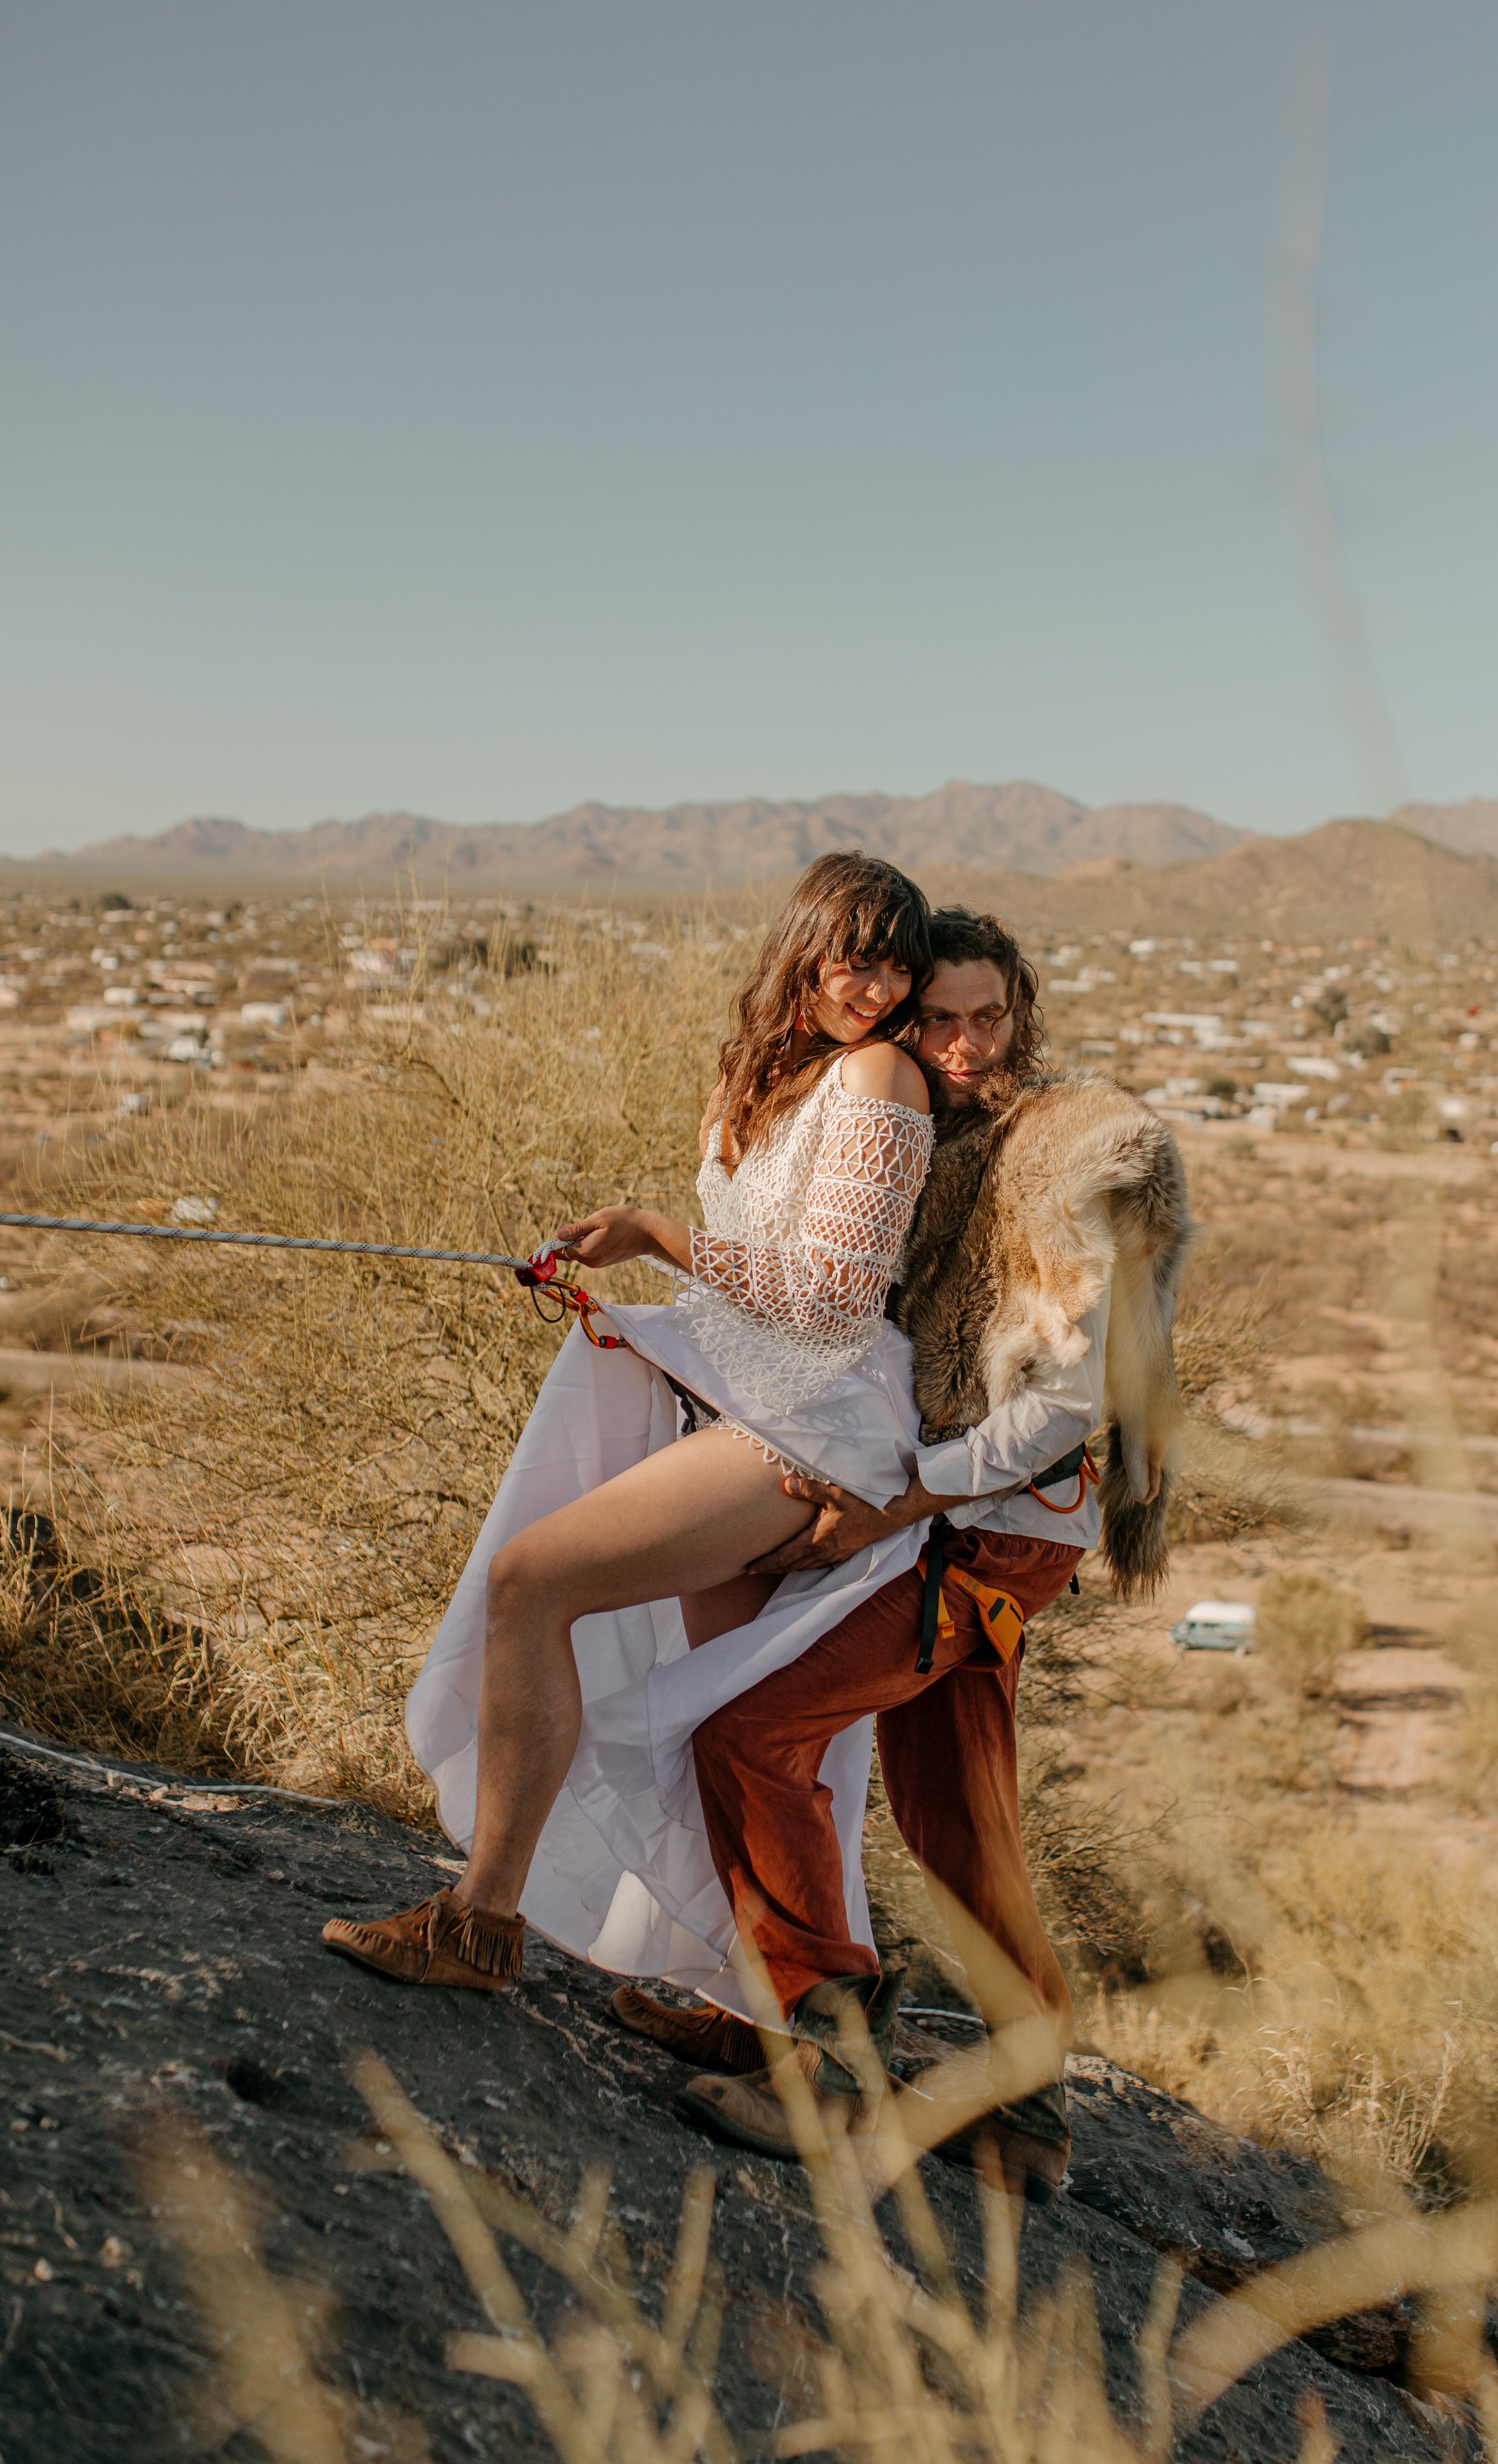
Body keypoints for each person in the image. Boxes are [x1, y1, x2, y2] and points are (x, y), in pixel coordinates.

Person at [613, 906, 1192, 2199]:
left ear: (1021, 1011)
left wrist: (908, 1496)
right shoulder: (935, 1135)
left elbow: (1066, 1395)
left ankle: (827, 2057)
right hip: (965, 1525)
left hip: (981, 1530)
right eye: (940, 1016)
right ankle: (1027, 2118)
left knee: (747, 1732)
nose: (966, 1041)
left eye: (988, 1015)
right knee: (957, 1824)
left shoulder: (1068, 1156)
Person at [322, 853, 939, 1997]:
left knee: (531, 1582)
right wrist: (640, 1311)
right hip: (741, 1400)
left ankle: (479, 1921)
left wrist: (657, 1233)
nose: (880, 988)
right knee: (727, 1721)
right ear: (807, 942)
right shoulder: (766, 1075)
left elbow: (831, 1299)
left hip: (815, 1427)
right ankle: (764, 2001)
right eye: (862, 957)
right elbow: (754, 1281)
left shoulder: (880, 1081)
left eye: (900, 967)